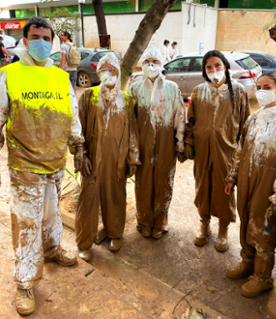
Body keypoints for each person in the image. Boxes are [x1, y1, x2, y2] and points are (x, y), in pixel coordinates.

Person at [0, 18, 84, 316]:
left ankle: (51, 250)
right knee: (26, 223)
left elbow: (72, 114)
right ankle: (25, 282)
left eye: (47, 38)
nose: (42, 42)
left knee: (51, 214)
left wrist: (79, 145)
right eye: (35, 36)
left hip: (55, 162)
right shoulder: (8, 75)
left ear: (53, 42)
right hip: (24, 166)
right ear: (24, 40)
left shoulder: (61, 78)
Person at [225, 72, 276, 298]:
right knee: (247, 220)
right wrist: (233, 177)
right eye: (258, 86)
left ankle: (263, 277)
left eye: (267, 86)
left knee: (265, 227)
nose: (261, 90)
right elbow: (241, 150)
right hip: (246, 179)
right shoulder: (254, 118)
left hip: (269, 184)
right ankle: (247, 262)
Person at [75, 54, 140, 260]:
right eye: (103, 69)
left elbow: (133, 132)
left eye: (111, 69)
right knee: (88, 199)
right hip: (92, 159)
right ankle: (85, 241)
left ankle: (115, 234)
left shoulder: (128, 100)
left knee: (116, 197)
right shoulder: (88, 96)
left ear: (118, 73)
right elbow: (78, 129)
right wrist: (80, 154)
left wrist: (132, 158)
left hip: (116, 159)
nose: (107, 73)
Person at [185, 50, 250, 252]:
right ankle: (204, 224)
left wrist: (242, 154)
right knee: (202, 186)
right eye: (209, 67)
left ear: (225, 67)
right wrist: (188, 144)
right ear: (205, 71)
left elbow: (245, 127)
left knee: (225, 189)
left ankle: (223, 228)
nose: (214, 70)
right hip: (203, 151)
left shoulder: (238, 91)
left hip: (227, 152)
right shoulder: (198, 91)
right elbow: (191, 121)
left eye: (218, 65)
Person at [129, 46, 186, 239]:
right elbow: (130, 120)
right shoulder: (135, 88)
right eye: (147, 62)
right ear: (142, 64)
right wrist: (132, 148)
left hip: (165, 142)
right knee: (143, 183)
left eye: (155, 62)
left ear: (162, 65)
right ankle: (144, 221)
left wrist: (180, 143)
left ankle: (160, 221)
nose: (151, 65)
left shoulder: (172, 88)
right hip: (143, 143)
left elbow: (180, 115)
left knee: (164, 182)